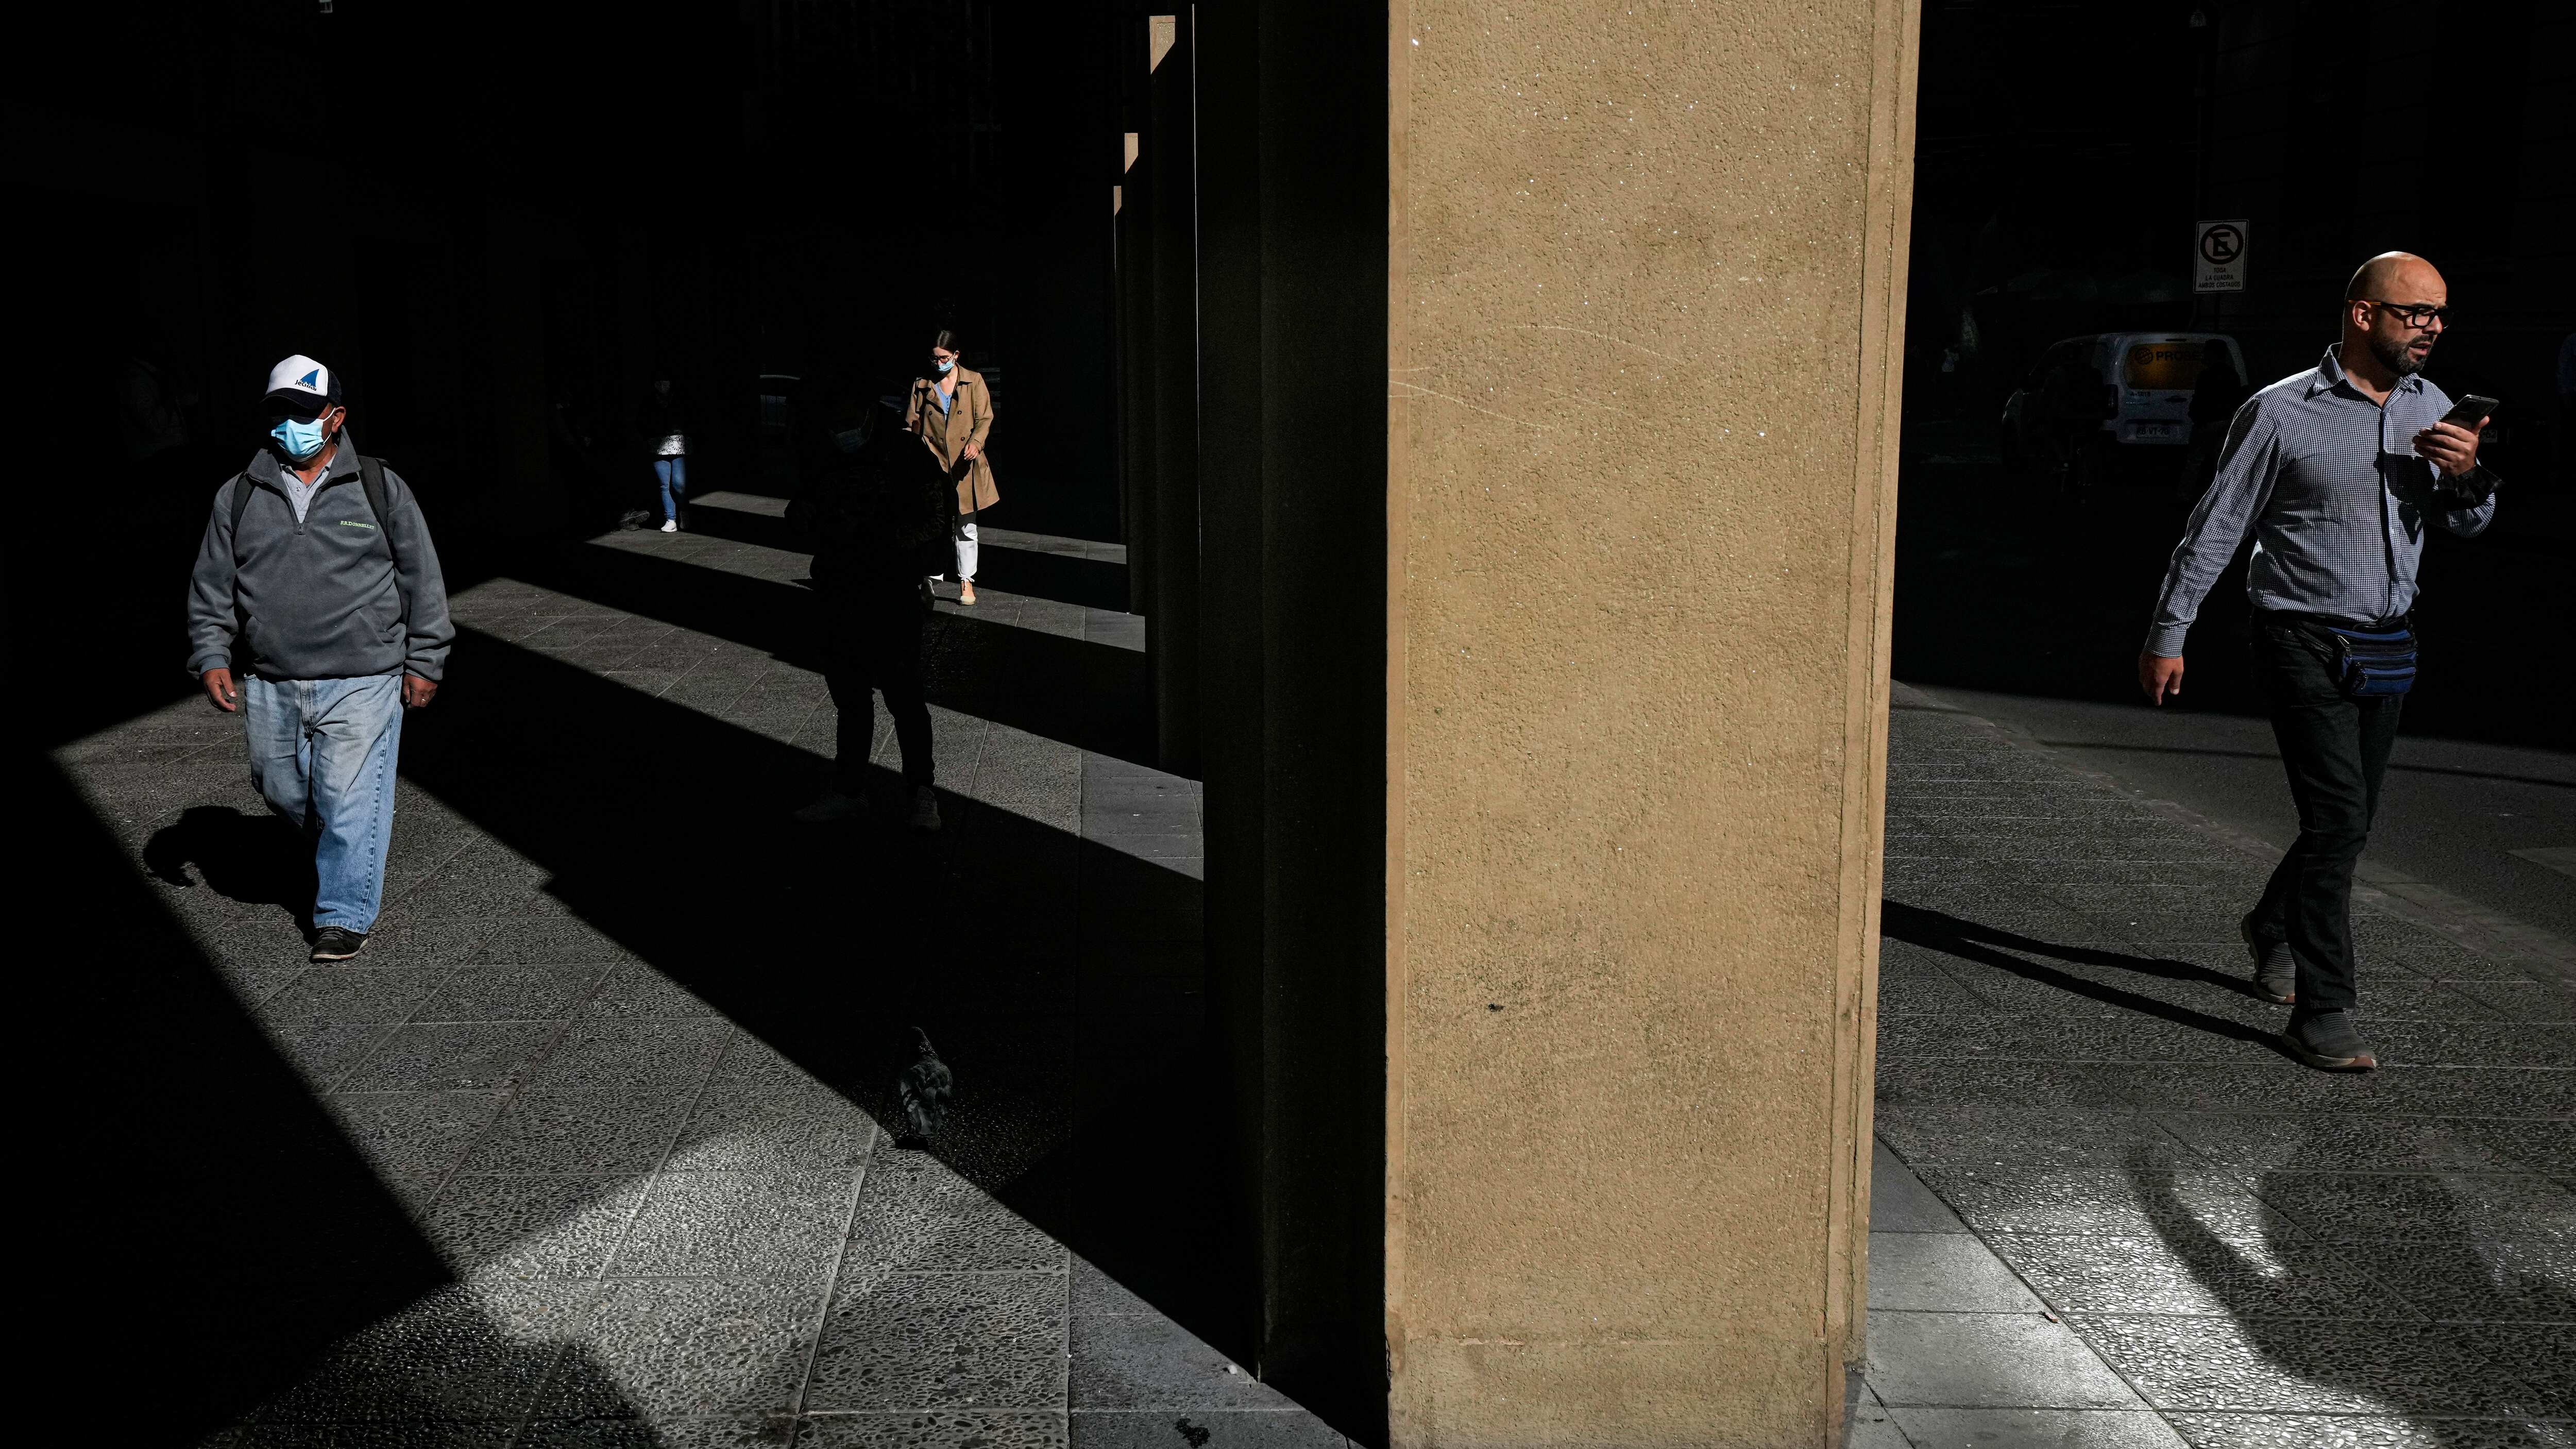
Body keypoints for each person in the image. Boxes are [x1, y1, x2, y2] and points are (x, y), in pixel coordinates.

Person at [2137, 252, 2499, 1072]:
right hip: (2299, 637)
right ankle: (2324, 1009)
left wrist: (2468, 474)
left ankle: (2273, 925)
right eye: (2416, 313)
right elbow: (2217, 528)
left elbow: (2469, 524)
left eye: (2440, 314)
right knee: (2337, 821)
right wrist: (2169, 632)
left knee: (2349, 823)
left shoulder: (2432, 405)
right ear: (2364, 315)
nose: (2432, 329)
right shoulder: (2280, 411)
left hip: (2389, 644)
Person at [187, 355, 455, 962]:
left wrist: (425, 660)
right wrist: (211, 654)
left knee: (349, 798)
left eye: (305, 413)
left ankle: (342, 914)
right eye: (280, 412)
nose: (291, 425)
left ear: (335, 418)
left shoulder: (380, 487)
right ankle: (343, 839)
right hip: (272, 678)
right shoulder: (238, 495)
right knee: (279, 788)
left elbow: (422, 578)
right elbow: (212, 585)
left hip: (365, 675)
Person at [787, 387, 952, 832]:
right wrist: (803, 516)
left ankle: (921, 791)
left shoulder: (904, 452)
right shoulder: (823, 451)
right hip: (840, 586)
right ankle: (849, 790)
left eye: (846, 419)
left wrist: (890, 546)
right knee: (851, 696)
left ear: (866, 412)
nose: (840, 430)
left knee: (904, 695)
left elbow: (937, 516)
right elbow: (803, 504)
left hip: (890, 587)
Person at [904, 330, 997, 604]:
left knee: (966, 525)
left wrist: (976, 442)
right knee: (932, 523)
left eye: (944, 358)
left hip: (964, 464)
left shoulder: (973, 381)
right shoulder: (922, 384)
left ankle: (967, 581)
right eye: (934, 358)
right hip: (931, 464)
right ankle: (929, 579)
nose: (939, 363)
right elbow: (912, 423)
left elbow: (985, 418)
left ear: (956, 355)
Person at [2176, 347, 2248, 502]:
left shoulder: (2206, 375)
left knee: (2195, 461)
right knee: (2221, 461)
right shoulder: (2232, 375)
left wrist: (2194, 414)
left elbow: (2200, 399)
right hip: (2226, 421)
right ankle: (2224, 496)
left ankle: (2185, 496)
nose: (2203, 356)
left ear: (2212, 356)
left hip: (2207, 422)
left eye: (2206, 353)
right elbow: (2238, 397)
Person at [640, 376, 690, 533]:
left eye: (665, 382)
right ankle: (671, 519)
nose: (662, 385)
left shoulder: (679, 398)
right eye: (658, 382)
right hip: (657, 443)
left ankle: (683, 510)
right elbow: (642, 421)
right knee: (664, 484)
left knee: (679, 484)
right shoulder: (649, 401)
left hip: (677, 442)